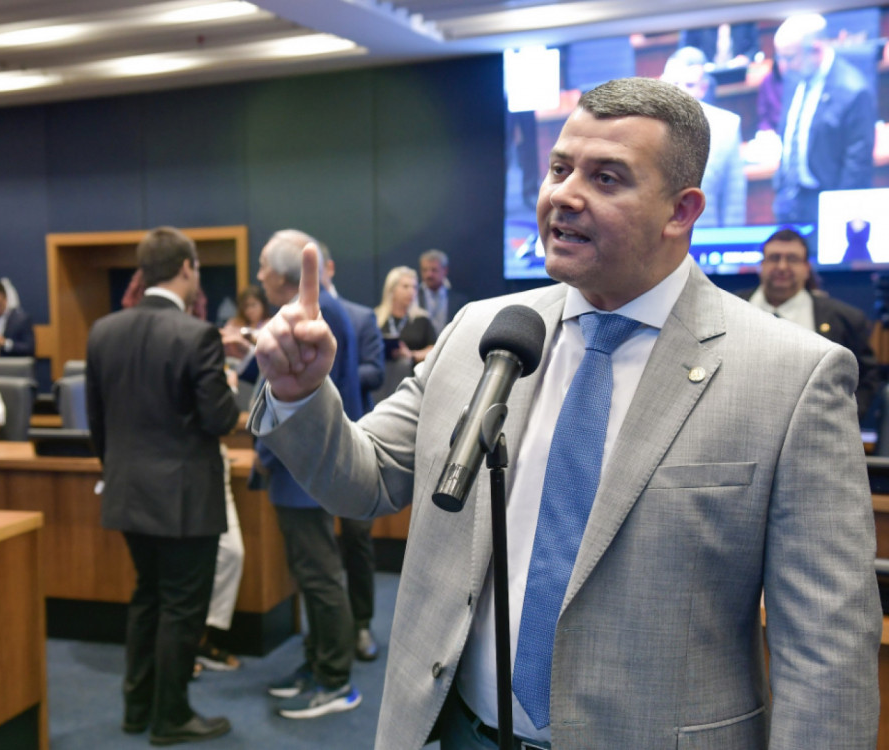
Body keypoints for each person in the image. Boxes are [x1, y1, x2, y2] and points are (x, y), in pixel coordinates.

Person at [251, 77, 878, 748]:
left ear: (682, 211)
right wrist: (298, 393)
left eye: (606, 178)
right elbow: (365, 478)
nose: (563, 195)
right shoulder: (480, 333)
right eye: (559, 168)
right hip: (461, 732)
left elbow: (826, 651)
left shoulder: (791, 375)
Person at [84, 226, 237, 744]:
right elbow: (219, 421)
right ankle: (170, 716)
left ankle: (136, 708)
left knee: (147, 597)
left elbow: (96, 424)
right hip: (185, 499)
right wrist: (231, 386)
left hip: (127, 491)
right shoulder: (198, 334)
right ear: (188, 268)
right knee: (181, 606)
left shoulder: (103, 330)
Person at [256, 229, 364, 719]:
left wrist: (269, 452)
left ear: (282, 274)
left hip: (307, 471)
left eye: (262, 266)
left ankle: (336, 682)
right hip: (292, 472)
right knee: (309, 575)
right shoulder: (295, 315)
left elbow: (323, 402)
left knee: (321, 578)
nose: (257, 276)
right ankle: (315, 665)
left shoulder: (323, 313)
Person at [737, 227, 881, 420]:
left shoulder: (846, 319)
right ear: (760, 265)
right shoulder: (729, 309)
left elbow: (866, 377)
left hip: (814, 432)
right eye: (774, 258)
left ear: (806, 268)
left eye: (792, 259)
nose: (782, 266)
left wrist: (846, 418)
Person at [319, 241, 385, 661]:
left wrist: (330, 369)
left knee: (357, 542)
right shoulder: (292, 318)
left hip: (356, 438)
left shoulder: (361, 316)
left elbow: (375, 371)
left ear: (329, 266)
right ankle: (321, 638)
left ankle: (361, 625)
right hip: (313, 445)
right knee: (316, 552)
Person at [773, 13, 876, 225]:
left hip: (826, 205)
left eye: (789, 57)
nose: (783, 67)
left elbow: (856, 168)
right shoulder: (796, 77)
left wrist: (839, 216)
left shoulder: (853, 91)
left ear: (817, 49)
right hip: (789, 200)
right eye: (780, 58)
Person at [662, 46, 747, 228]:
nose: (681, 92)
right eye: (674, 84)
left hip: (706, 239)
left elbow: (734, 201)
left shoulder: (727, 126)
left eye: (690, 85)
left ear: (703, 88)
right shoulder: (646, 125)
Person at [375, 266, 437, 366]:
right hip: (381, 374)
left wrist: (412, 355)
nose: (411, 291)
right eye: (405, 286)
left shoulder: (422, 319)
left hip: (412, 373)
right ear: (392, 289)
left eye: (414, 287)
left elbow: (434, 349)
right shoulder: (376, 317)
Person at [418, 249, 468, 331]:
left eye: (434, 270)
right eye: (425, 270)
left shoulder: (459, 301)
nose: (429, 274)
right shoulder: (413, 299)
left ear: (445, 271)